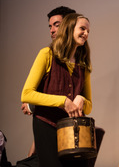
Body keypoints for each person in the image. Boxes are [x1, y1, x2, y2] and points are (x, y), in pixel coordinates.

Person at [21, 13, 92, 167]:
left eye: (88, 31)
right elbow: (27, 94)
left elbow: (89, 106)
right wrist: (62, 101)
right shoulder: (46, 54)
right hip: (46, 125)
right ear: (69, 28)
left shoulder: (83, 65)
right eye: (82, 29)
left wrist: (82, 99)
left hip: (73, 130)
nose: (86, 33)